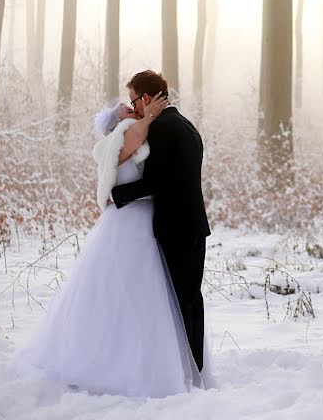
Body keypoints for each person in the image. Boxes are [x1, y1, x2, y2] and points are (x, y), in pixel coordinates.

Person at [21, 84, 210, 397]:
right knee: (137, 296)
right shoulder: (128, 133)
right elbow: (143, 154)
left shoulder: (146, 131)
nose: (130, 108)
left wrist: (148, 117)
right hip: (133, 221)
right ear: (116, 121)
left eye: (133, 102)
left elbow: (157, 174)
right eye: (126, 108)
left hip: (148, 220)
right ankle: (129, 363)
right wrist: (147, 117)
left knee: (149, 297)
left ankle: (163, 361)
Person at [111, 70, 212, 374]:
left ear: (145, 98)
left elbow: (156, 181)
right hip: (194, 224)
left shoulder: (163, 129)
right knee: (192, 300)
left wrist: (115, 195)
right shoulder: (187, 125)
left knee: (179, 302)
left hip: (175, 228)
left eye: (133, 100)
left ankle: (185, 370)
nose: (134, 108)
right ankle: (196, 367)